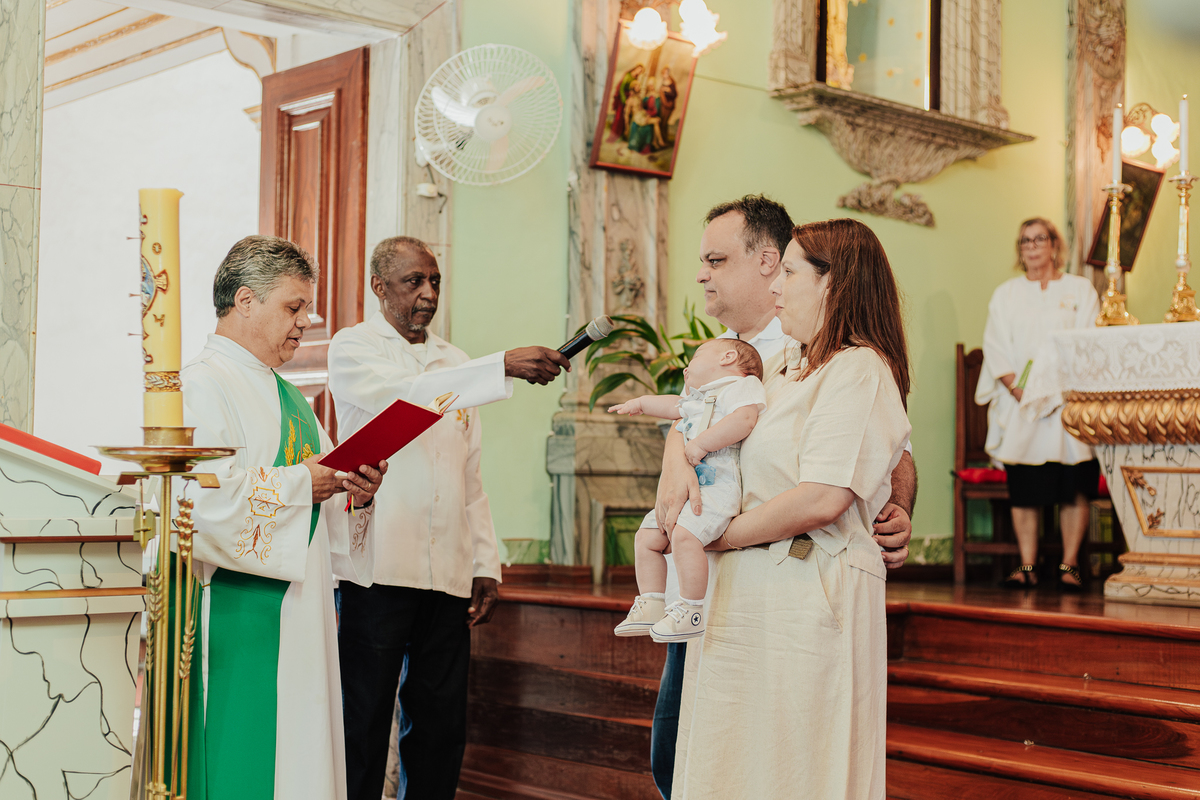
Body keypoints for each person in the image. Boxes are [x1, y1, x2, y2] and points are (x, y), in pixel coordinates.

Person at [649, 195, 916, 800]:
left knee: (796, 770)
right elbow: (703, 421)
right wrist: (676, 454)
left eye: (790, 273)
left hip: (802, 582)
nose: (703, 274)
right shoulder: (775, 364)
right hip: (737, 591)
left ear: (829, 283)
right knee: (718, 766)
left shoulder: (855, 366)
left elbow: (835, 487)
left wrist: (716, 535)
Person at [328, 236, 570, 800]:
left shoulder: (457, 363)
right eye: (414, 281)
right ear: (379, 286)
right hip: (376, 568)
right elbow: (405, 401)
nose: (429, 294)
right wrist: (500, 364)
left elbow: (470, 476)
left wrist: (485, 563)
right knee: (361, 723)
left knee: (439, 727)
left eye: (434, 281)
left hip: (447, 572)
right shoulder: (354, 347)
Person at [181, 235, 386, 800]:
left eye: (307, 309)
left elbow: (325, 508)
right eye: (294, 307)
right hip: (240, 619)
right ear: (245, 300)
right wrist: (303, 484)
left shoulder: (292, 399)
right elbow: (197, 506)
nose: (305, 323)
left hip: (304, 615)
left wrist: (357, 494)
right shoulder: (199, 385)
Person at [609, 339, 766, 641]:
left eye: (695, 357)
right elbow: (673, 406)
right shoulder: (696, 398)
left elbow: (745, 419)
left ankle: (691, 609)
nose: (686, 367)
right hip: (688, 482)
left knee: (684, 535)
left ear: (727, 357)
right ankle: (652, 602)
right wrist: (641, 403)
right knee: (647, 538)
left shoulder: (740, 385)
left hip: (718, 481)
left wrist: (701, 444)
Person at [976, 217, 1101, 591]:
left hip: (1068, 404)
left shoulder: (1080, 289)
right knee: (1026, 487)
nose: (1031, 247)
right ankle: (1027, 565)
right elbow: (995, 345)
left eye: (1039, 239)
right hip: (1023, 405)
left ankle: (1070, 565)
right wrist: (1018, 390)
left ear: (1054, 245)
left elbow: (1089, 340)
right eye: (1025, 241)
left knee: (1073, 484)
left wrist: (1063, 393)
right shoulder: (1006, 294)